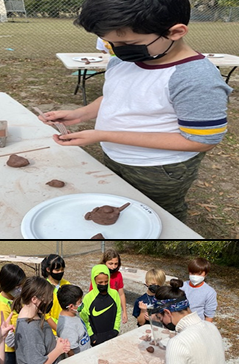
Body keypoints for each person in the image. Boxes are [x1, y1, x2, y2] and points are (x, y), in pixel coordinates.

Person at [39, 0, 232, 222]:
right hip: (116, 155)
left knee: (160, 213)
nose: (117, 50)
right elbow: (118, 96)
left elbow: (201, 141)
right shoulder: (124, 60)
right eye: (110, 43)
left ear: (175, 32)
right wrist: (81, 113)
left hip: (160, 168)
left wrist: (104, 135)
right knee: (123, 203)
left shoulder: (195, 79)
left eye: (127, 42)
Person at [129, 278, 224, 364]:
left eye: (159, 317)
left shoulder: (179, 342)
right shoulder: (211, 327)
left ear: (168, 313)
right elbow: (196, 363)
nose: (162, 322)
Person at [13, 276, 70, 364]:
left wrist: (55, 342)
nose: (49, 301)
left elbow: (40, 343)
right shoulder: (30, 328)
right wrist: (58, 350)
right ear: (34, 299)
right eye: (47, 298)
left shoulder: (34, 315)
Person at [56, 285, 90, 364]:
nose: (82, 304)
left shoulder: (72, 315)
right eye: (80, 302)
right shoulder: (67, 328)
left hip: (84, 359)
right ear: (71, 306)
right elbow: (71, 351)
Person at [80, 264, 121, 346]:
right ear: (94, 281)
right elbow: (83, 319)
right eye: (100, 282)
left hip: (112, 335)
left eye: (106, 281)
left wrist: (116, 329)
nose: (103, 284)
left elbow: (118, 312)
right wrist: (91, 336)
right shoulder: (88, 298)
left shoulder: (114, 294)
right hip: (97, 338)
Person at [89, 249, 127, 323]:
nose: (113, 267)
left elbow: (121, 294)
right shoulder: (98, 275)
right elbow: (91, 293)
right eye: (110, 263)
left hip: (112, 306)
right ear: (104, 263)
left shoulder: (118, 275)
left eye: (116, 264)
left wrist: (124, 311)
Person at [40, 254, 71, 334]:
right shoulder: (44, 288)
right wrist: (58, 329)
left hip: (67, 325)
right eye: (57, 270)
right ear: (48, 269)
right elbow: (46, 315)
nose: (60, 272)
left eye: (62, 269)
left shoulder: (67, 284)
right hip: (53, 331)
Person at [181, 258, 217, 322]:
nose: (195, 276)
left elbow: (209, 316)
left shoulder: (210, 292)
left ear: (206, 274)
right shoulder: (182, 286)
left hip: (196, 325)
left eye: (199, 274)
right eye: (192, 273)